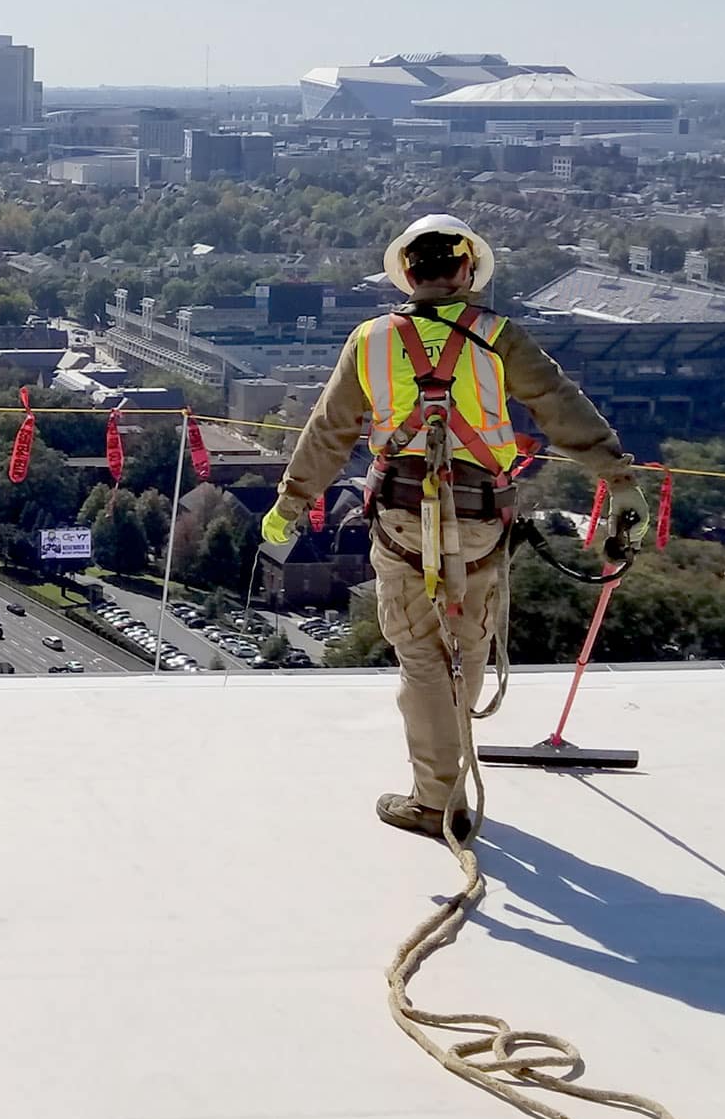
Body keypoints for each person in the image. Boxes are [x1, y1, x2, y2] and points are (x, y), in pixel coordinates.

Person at [260, 214, 648, 841]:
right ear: (467, 271)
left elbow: (330, 431)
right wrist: (619, 476)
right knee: (464, 651)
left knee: (420, 655)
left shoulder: (372, 340)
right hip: (477, 519)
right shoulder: (501, 338)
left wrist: (289, 504)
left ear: (408, 274)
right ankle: (446, 786)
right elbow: (559, 405)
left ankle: (436, 801)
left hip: (402, 518)